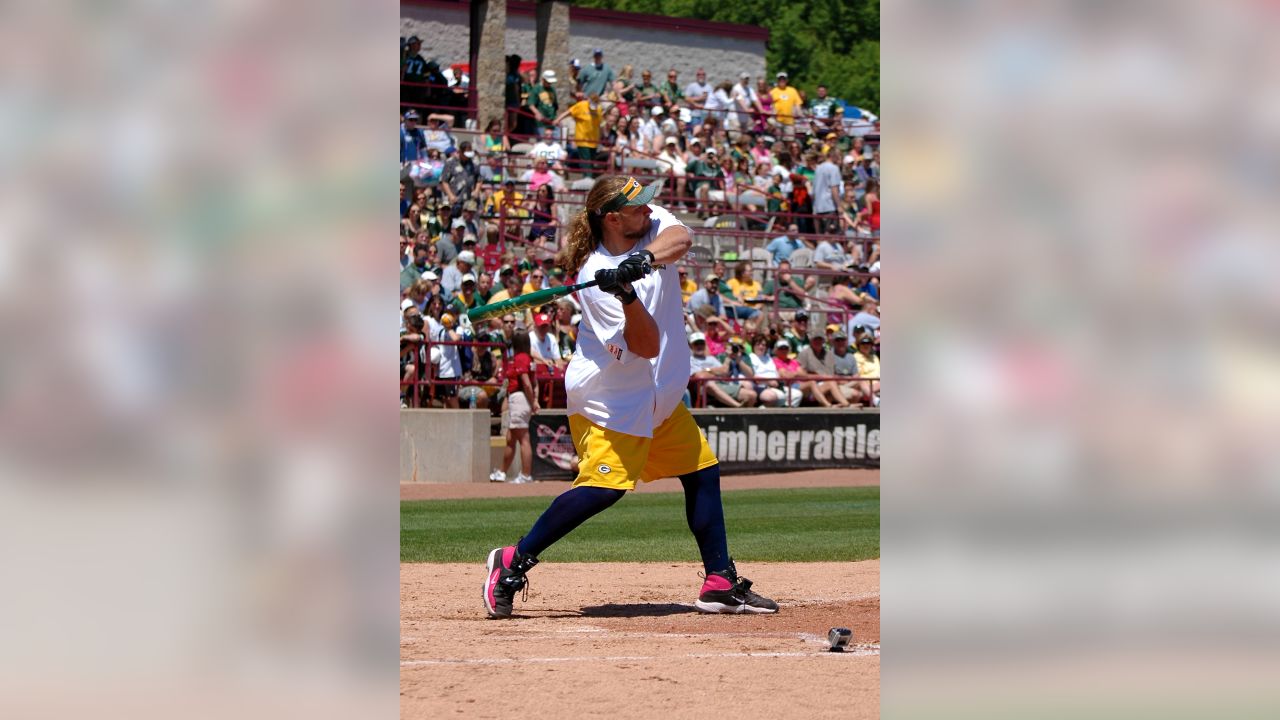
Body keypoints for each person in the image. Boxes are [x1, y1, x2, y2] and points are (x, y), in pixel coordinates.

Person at [482, 174, 778, 619]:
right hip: (610, 401)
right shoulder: (592, 277)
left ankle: (719, 580)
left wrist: (641, 260)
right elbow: (646, 346)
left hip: (661, 395)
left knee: (701, 472)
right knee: (603, 489)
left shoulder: (650, 225)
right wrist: (624, 295)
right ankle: (513, 560)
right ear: (612, 217)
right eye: (637, 207)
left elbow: (681, 237)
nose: (648, 210)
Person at [490, 329, 539, 484]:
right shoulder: (528, 358)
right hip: (521, 398)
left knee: (523, 438)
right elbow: (534, 383)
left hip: (519, 398)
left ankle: (525, 475)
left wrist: (533, 402)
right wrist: (534, 400)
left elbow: (526, 383)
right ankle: (502, 473)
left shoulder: (520, 358)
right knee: (511, 439)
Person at [555, 92, 603, 177]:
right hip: (582, 139)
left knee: (591, 160)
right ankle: (588, 178)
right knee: (586, 160)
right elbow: (569, 111)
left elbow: (599, 124)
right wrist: (558, 119)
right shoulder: (581, 105)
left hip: (593, 140)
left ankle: (588, 177)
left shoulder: (598, 109)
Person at [769, 72, 804, 139]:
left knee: (789, 139)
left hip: (789, 121)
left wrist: (800, 114)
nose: (782, 81)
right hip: (777, 121)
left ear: (786, 80)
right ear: (777, 80)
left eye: (783, 79)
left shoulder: (792, 90)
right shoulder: (773, 92)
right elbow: (770, 105)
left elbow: (797, 104)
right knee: (778, 139)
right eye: (780, 79)